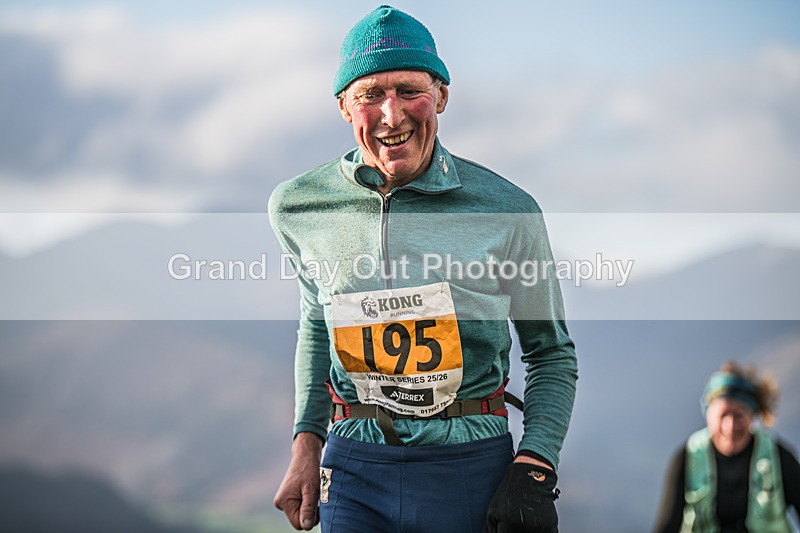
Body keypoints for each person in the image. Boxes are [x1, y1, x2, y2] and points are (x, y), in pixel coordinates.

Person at [268, 6, 578, 532]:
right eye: (370, 94)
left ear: (442, 96)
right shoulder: (298, 206)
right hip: (353, 468)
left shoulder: (508, 210)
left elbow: (551, 353)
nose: (392, 115)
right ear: (344, 106)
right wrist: (305, 444)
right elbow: (317, 327)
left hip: (469, 468)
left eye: (410, 90)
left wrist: (535, 466)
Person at [654, 361, 800, 532]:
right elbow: (666, 527)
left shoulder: (778, 458)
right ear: (708, 415)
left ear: (752, 417)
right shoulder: (687, 458)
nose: (729, 426)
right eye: (723, 415)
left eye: (739, 415)